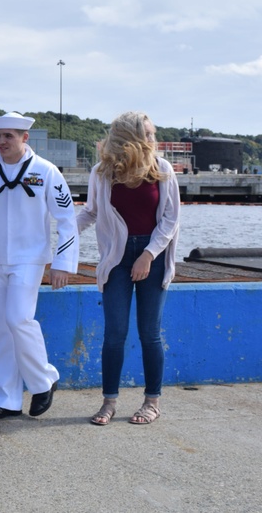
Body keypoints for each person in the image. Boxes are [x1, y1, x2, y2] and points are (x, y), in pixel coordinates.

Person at [0, 111, 78, 420]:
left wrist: (63, 263)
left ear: (24, 138)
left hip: (30, 258)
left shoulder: (46, 171)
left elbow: (67, 220)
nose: (2, 142)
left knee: (17, 319)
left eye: (9, 136)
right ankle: (5, 400)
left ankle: (43, 379)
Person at [76, 111, 180, 426]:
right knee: (114, 334)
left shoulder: (162, 169)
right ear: (129, 138)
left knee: (149, 333)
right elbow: (91, 212)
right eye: (148, 134)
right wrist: (63, 231)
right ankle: (109, 402)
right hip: (115, 259)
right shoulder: (101, 172)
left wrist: (147, 255)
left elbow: (171, 220)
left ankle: (152, 401)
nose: (153, 140)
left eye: (153, 133)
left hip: (154, 256)